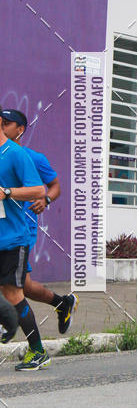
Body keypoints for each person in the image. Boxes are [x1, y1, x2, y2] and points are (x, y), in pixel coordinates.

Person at [1, 109, 78, 333]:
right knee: (22, 285)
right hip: (5, 226)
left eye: (8, 123)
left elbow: (55, 187)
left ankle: (13, 324)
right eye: (2, 122)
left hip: (23, 226)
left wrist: (45, 200)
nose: (4, 127)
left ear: (20, 130)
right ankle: (62, 303)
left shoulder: (32, 157)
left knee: (16, 285)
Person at [0, 111, 49, 370]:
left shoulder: (15, 154)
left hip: (12, 239)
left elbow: (38, 190)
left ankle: (38, 351)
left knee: (13, 293)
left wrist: (7, 193)